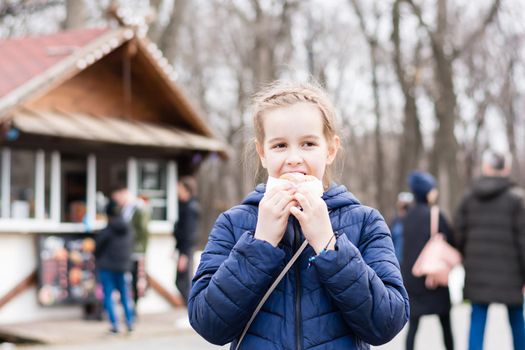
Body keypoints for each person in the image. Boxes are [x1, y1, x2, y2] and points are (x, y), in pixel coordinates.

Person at [188, 80, 409, 349]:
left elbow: (387, 323)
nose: (294, 158)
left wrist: (330, 245)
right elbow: (207, 323)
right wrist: (261, 244)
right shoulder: (233, 224)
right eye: (280, 145)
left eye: (308, 144)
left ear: (330, 150)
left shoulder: (366, 223)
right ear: (262, 153)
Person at [454, 149, 525, 350]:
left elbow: (458, 234)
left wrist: (468, 256)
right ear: (507, 168)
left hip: (477, 272)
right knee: (517, 320)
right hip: (511, 274)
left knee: (477, 320)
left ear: (486, 167)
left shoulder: (469, 198)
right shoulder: (516, 200)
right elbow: (523, 240)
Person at [401, 171, 455, 350]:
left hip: (412, 277)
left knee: (413, 325)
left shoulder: (406, 217)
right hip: (434, 277)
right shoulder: (435, 214)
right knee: (445, 322)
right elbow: (452, 239)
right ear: (427, 192)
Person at [94, 197, 134, 333]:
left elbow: (97, 247)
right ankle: (129, 323)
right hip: (123, 267)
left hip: (107, 267)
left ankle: (114, 325)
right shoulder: (128, 228)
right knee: (125, 295)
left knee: (108, 296)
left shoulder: (108, 230)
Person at [113, 187, 151, 316]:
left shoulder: (138, 209)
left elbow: (143, 231)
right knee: (127, 279)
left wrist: (141, 250)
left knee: (136, 278)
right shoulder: (124, 209)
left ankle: (134, 306)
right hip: (126, 250)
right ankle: (128, 306)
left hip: (135, 250)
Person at [173, 176, 201, 304]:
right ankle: (189, 310)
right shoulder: (185, 206)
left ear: (186, 189)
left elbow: (189, 234)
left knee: (183, 282)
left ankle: (191, 310)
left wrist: (183, 254)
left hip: (186, 250)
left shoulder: (191, 208)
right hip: (183, 249)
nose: (177, 191)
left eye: (179, 188)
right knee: (181, 281)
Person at [389, 192, 414, 264]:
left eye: (406, 207)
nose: (404, 210)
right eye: (401, 207)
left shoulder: (415, 222)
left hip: (411, 262)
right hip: (397, 261)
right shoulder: (395, 222)